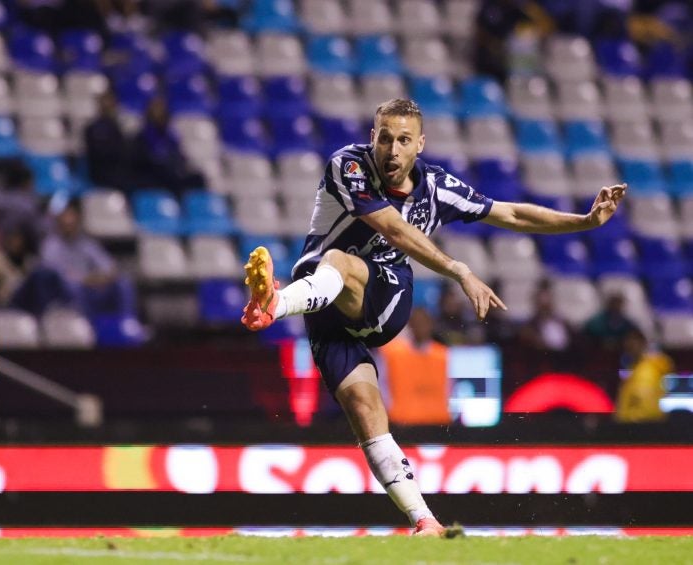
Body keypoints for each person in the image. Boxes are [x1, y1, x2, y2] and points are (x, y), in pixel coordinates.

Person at [240, 99, 626, 536]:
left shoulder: (436, 188)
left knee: (339, 260)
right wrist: (458, 268)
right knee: (364, 410)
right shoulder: (348, 166)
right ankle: (424, 520)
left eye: (403, 140)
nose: (392, 149)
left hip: (385, 296)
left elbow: (510, 212)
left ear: (419, 144)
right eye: (384, 137)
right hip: (323, 306)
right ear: (373, 137)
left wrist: (585, 221)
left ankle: (274, 305)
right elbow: (392, 226)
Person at [378, 307, 451, 426]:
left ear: (431, 325)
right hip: (402, 422)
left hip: (438, 422)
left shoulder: (442, 354)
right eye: (416, 323)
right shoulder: (392, 353)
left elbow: (450, 388)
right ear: (410, 325)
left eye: (423, 323)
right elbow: (382, 386)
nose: (420, 327)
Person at [615, 328, 672, 424]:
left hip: (652, 421)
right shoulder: (630, 370)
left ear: (643, 343)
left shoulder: (654, 364)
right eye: (628, 343)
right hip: (629, 423)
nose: (631, 346)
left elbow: (666, 364)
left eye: (634, 342)